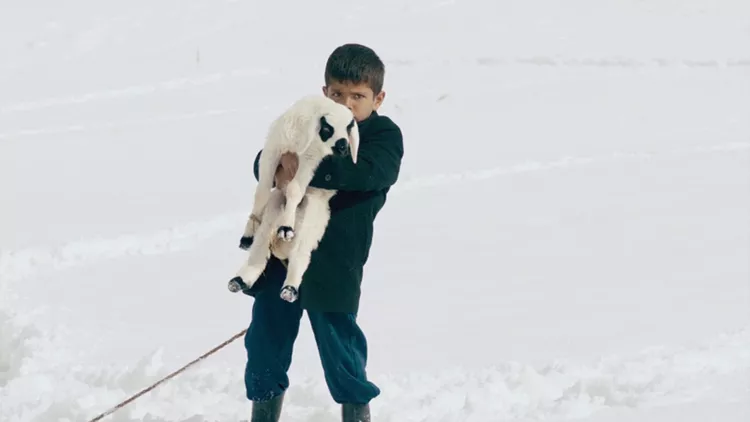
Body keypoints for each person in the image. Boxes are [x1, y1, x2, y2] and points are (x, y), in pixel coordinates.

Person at [240, 43, 404, 422]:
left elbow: (369, 173)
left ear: (377, 98)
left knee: (339, 348)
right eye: (337, 94)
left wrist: (302, 171)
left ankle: (355, 413)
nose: (345, 104)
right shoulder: (309, 121)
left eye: (357, 97)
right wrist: (277, 169)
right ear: (324, 92)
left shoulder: (382, 135)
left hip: (335, 260)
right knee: (265, 342)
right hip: (281, 253)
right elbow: (267, 158)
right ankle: (263, 413)